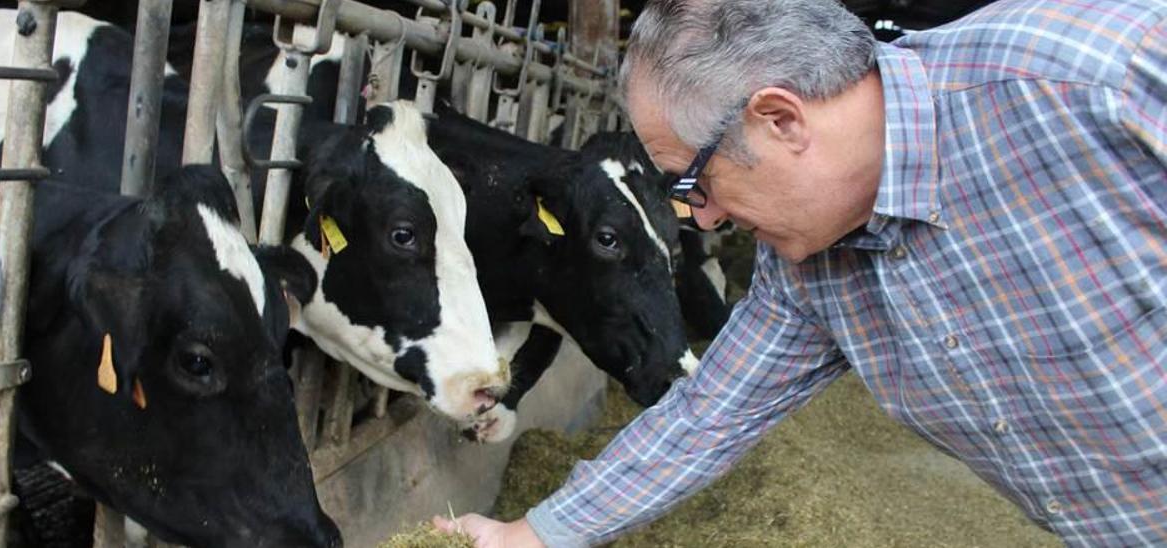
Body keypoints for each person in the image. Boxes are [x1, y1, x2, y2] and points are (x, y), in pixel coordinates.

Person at [434, 0, 1167, 545]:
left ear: (780, 119)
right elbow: (705, 419)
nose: (703, 220)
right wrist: (530, 535)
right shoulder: (808, 270)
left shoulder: (1098, 78)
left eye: (691, 185)